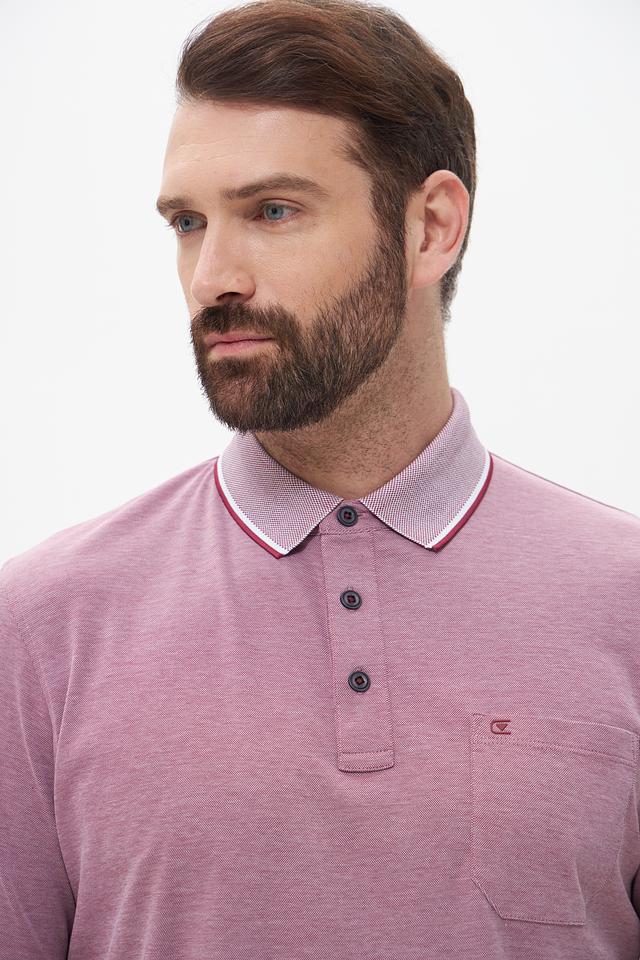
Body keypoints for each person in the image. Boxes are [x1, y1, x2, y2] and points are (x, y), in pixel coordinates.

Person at [2, 1, 639, 958]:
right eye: (188, 222)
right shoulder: (41, 627)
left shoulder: (626, 602)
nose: (212, 276)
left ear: (430, 228)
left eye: (273, 211)